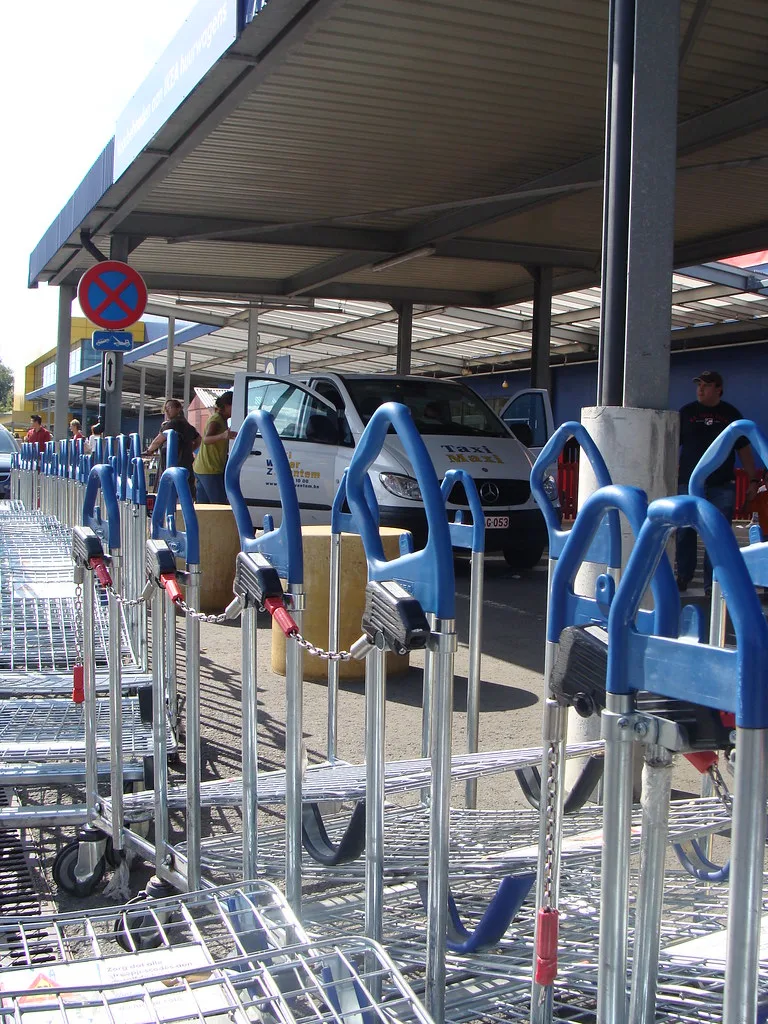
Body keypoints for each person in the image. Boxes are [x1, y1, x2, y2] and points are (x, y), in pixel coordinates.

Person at [676, 370, 761, 595]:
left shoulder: (730, 415)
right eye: (699, 385)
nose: (701, 389)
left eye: (706, 385)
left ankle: (712, 585)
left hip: (721, 485)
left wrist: (753, 480)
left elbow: (744, 449)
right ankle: (683, 576)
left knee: (717, 534)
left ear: (718, 389)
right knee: (685, 532)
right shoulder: (686, 413)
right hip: (688, 483)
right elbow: (673, 445)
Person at [145, 398, 201, 493]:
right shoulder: (188, 426)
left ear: (178, 409)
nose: (166, 411)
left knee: (170, 490)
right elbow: (198, 439)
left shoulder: (173, 423)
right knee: (186, 489)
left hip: (172, 464)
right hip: (186, 463)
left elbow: (158, 440)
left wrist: (149, 451)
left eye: (169, 408)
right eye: (165, 409)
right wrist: (189, 450)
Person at [192, 390, 234, 504]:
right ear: (226, 406)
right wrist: (223, 436)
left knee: (204, 505)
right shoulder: (216, 420)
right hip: (210, 468)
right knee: (219, 504)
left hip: (203, 467)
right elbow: (206, 439)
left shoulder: (222, 420)